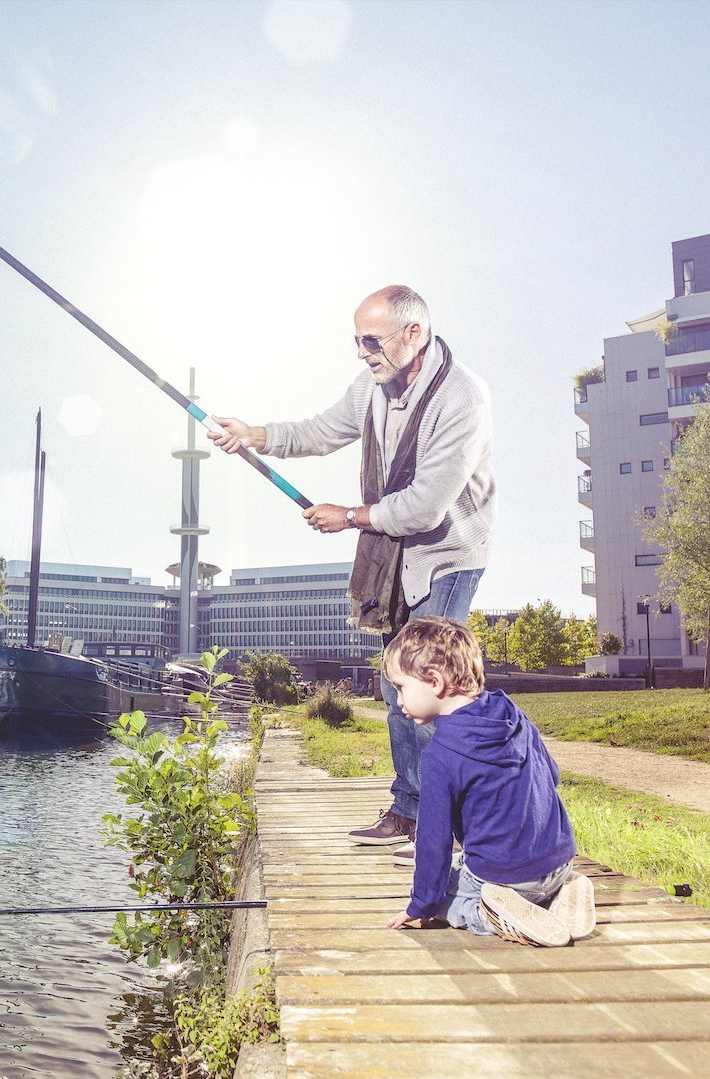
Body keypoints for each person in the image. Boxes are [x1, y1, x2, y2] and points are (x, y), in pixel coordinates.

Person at [209, 285, 495, 855]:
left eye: (372, 341)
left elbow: (425, 507)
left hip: (446, 554)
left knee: (433, 688)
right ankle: (410, 810)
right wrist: (253, 434)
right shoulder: (374, 383)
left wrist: (350, 516)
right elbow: (321, 430)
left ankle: (458, 821)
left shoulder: (462, 397)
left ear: (413, 334)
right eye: (357, 342)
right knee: (398, 687)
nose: (363, 354)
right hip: (394, 553)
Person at [379, 616, 595, 946]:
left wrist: (421, 905)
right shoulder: (513, 714)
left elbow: (433, 844)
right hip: (557, 862)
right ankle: (562, 893)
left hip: (506, 878)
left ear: (434, 682)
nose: (397, 700)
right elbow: (552, 774)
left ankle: (492, 916)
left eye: (400, 687)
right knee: (464, 866)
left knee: (444, 895)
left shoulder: (439, 755)